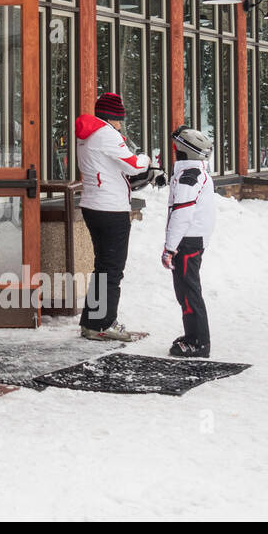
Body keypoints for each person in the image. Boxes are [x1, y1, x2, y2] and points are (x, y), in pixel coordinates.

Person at [75, 92, 151, 341]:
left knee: (103, 267)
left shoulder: (88, 134)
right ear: (113, 117)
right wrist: (147, 159)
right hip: (110, 209)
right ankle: (104, 324)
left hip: (93, 205)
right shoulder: (106, 134)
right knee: (113, 269)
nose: (121, 124)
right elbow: (134, 165)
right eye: (120, 119)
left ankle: (91, 322)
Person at [161, 125, 217, 358]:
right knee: (185, 290)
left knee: (189, 291)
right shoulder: (194, 173)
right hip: (192, 239)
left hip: (188, 241)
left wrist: (169, 248)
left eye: (176, 149)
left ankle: (199, 342)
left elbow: (182, 214)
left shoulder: (188, 178)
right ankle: (192, 335)